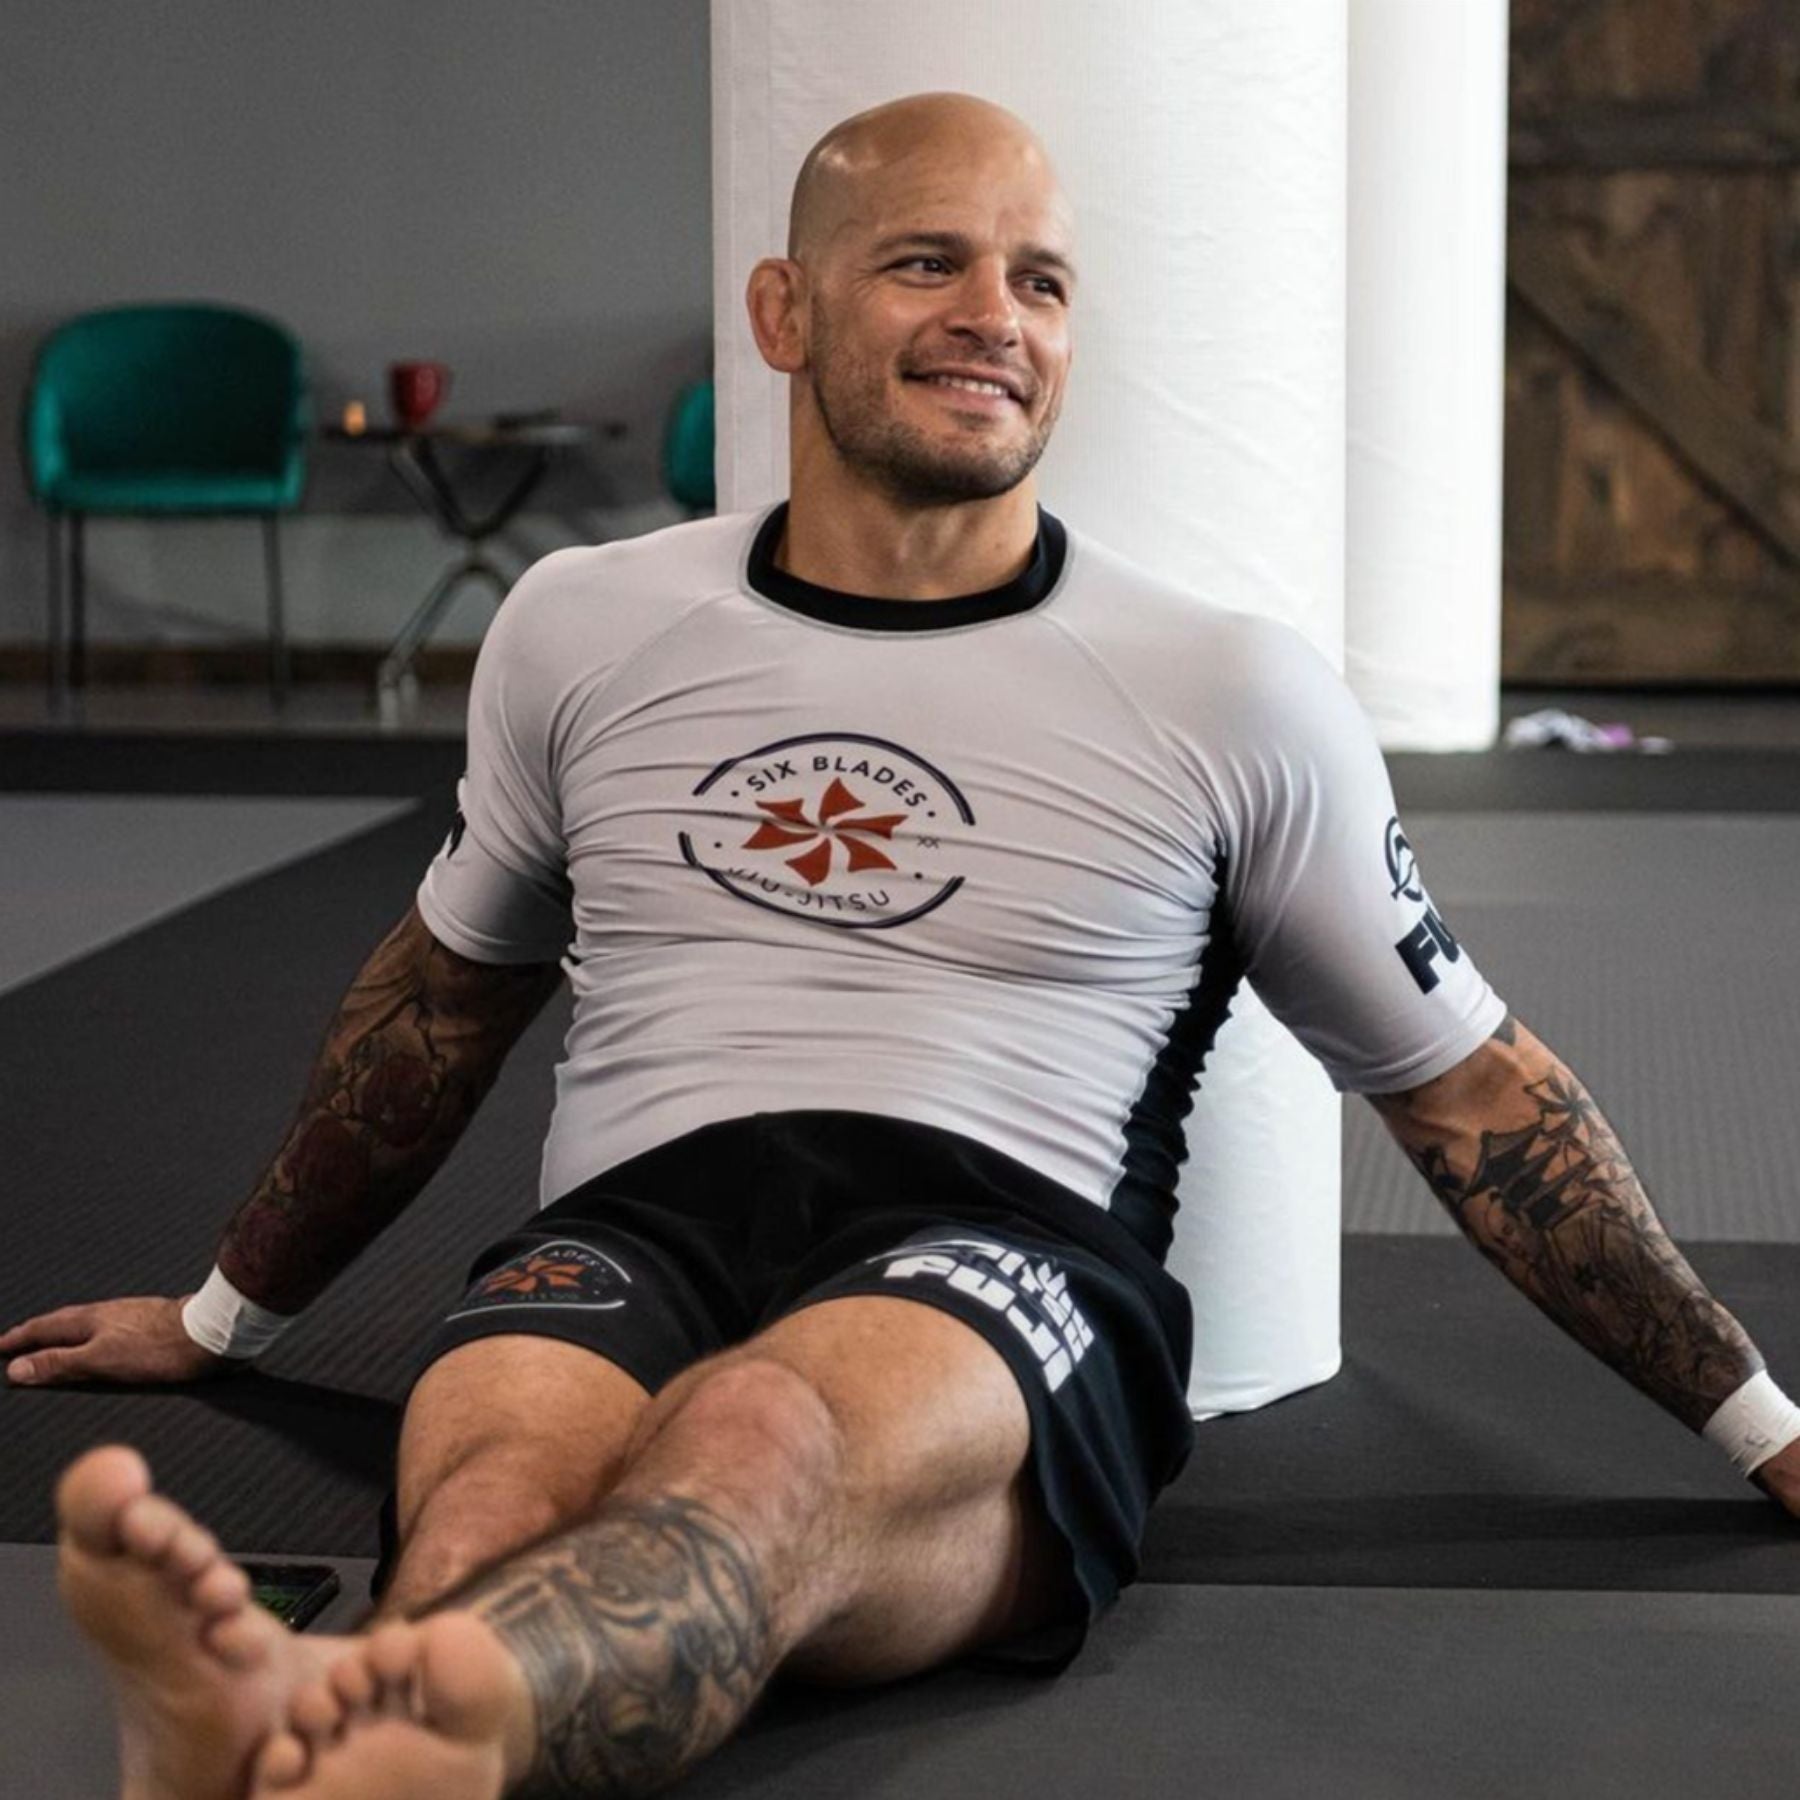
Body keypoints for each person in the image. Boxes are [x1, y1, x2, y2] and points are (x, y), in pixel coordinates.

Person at [7, 90, 1800, 1800]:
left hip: (1004, 1247)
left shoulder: (1228, 691)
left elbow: (1477, 1100)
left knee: (760, 1452)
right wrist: (225, 1317)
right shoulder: (582, 627)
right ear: (785, 310)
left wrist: (1765, 1426)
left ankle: (317, 1732)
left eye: (1041, 280)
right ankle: (345, 1733)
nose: (993, 317)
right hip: (640, 1218)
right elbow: (437, 1006)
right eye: (926, 261)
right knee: (485, 1491)